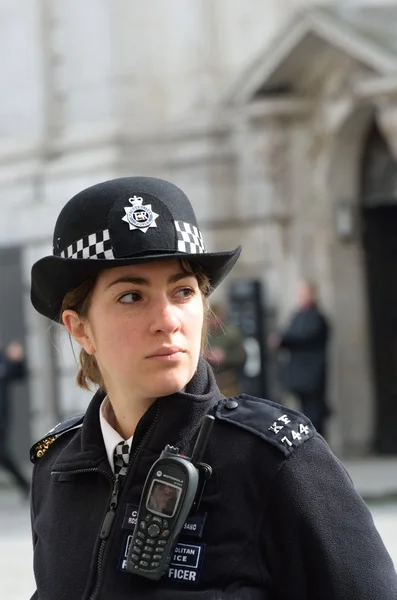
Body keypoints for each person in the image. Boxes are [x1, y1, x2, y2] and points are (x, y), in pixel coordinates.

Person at [29, 177, 397, 599]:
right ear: (81, 328)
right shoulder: (57, 468)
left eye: (183, 291)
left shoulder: (274, 460)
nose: (168, 320)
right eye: (132, 296)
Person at [269, 280, 330, 437]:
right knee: (304, 412)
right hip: (299, 373)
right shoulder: (298, 315)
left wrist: (282, 340)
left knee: (315, 412)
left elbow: (305, 336)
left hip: (312, 373)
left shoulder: (317, 317)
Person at [0, 338, 30, 498]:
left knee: (2, 453)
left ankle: (24, 485)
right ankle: (24, 485)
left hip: (1, 419)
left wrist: (18, 360)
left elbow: (19, 374)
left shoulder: (4, 360)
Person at [204, 303, 246, 396]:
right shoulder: (202, 335)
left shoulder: (232, 333)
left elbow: (242, 356)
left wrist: (225, 357)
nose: (214, 320)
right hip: (207, 382)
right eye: (210, 316)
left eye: (216, 316)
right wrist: (205, 355)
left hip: (228, 381)